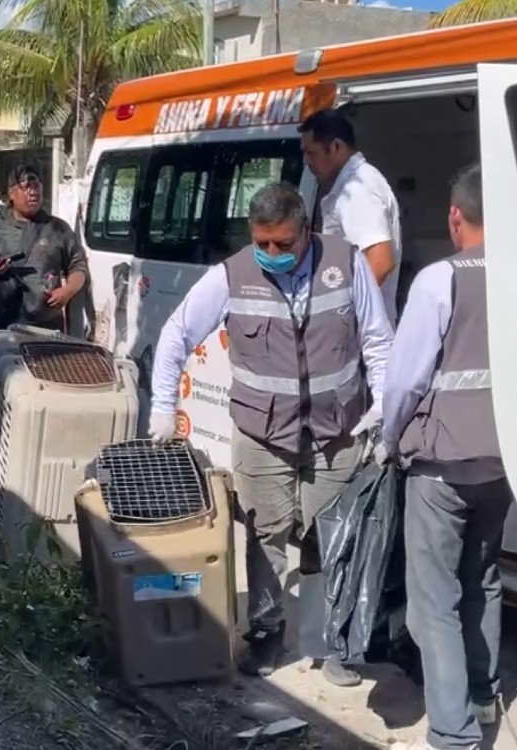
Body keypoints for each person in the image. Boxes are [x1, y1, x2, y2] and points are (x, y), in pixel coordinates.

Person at [148, 182, 393, 685]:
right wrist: (163, 408)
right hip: (262, 435)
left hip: (336, 433)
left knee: (331, 538)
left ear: (306, 229)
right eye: (262, 243)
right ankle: (265, 634)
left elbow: (377, 340)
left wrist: (386, 408)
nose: (272, 252)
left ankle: (327, 642)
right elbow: (175, 335)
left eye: (283, 242)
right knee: (265, 537)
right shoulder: (232, 275)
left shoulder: (346, 265)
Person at [380, 164, 508, 750]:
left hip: (440, 469)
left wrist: (389, 440)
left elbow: (405, 382)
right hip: (503, 464)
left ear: (456, 216)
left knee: (434, 601)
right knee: (484, 579)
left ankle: (452, 732)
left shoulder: (438, 281)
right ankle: (483, 698)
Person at [0, 165, 88, 364]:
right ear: (12, 193)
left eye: (36, 186)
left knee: (45, 380)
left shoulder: (57, 228)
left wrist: (68, 291)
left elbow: (78, 266)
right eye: (26, 187)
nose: (33, 191)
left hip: (45, 327)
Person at [300, 108, 403, 324]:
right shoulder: (353, 184)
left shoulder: (357, 189)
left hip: (359, 333)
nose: (306, 161)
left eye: (311, 153)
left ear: (336, 146)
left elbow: (380, 262)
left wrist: (339, 315)